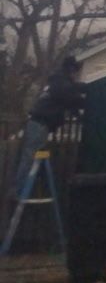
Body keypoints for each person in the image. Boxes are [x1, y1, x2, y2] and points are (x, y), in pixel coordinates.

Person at [12, 56, 87, 197]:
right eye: (76, 71)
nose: (76, 75)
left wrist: (80, 115)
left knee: (31, 157)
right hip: (39, 124)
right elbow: (71, 98)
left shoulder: (59, 81)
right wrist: (87, 98)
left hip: (39, 124)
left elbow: (69, 102)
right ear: (71, 70)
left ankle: (26, 189)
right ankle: (19, 191)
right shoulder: (61, 82)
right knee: (29, 157)